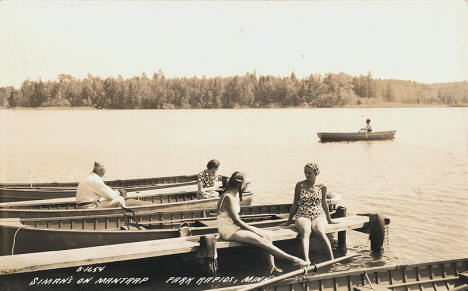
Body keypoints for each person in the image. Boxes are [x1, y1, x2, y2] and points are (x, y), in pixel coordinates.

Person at [217, 171, 308, 274]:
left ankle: (272, 267)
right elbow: (236, 220)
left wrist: (255, 230)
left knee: (267, 236)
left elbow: (236, 220)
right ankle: (293, 259)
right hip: (228, 229)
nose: (246, 186)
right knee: (260, 240)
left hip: (234, 226)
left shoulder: (236, 193)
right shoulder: (228, 196)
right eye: (245, 184)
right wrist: (254, 230)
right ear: (239, 184)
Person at [287, 163, 335, 263]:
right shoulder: (299, 185)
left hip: (318, 215)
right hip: (302, 214)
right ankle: (306, 260)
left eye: (310, 173)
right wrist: (288, 221)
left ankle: (331, 260)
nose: (307, 175)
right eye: (305, 172)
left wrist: (329, 219)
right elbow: (295, 204)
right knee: (305, 231)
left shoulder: (323, 187)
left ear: (316, 173)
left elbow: (324, 204)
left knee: (319, 231)